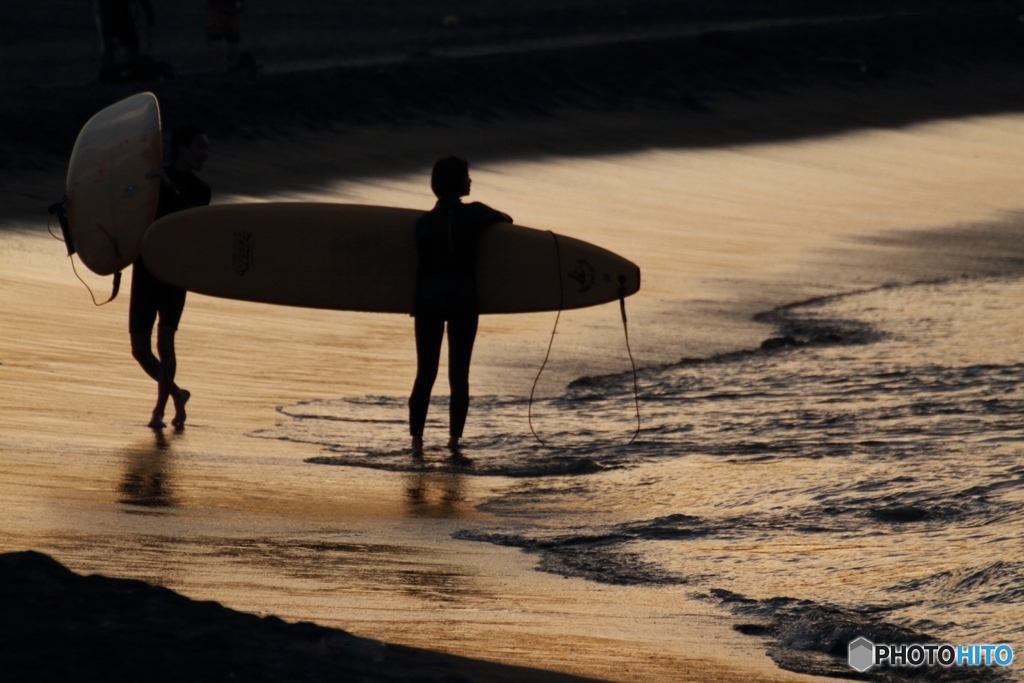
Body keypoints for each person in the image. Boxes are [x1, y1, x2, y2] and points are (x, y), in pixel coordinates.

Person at [409, 156, 512, 460]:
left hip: (428, 301)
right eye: (467, 176)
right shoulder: (478, 215)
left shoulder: (423, 224)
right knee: (459, 374)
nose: (470, 181)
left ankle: (416, 442)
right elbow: (507, 219)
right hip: (463, 302)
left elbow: (420, 269)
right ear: (457, 182)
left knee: (424, 373)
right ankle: (453, 443)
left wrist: (415, 304)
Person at [131, 124, 211, 430]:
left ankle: (159, 411)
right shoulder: (153, 177)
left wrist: (168, 187)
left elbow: (189, 222)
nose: (206, 154)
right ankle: (178, 394)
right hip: (145, 267)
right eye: (201, 146)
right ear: (181, 149)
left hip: (176, 270)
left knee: (165, 341)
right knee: (139, 349)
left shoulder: (201, 189)